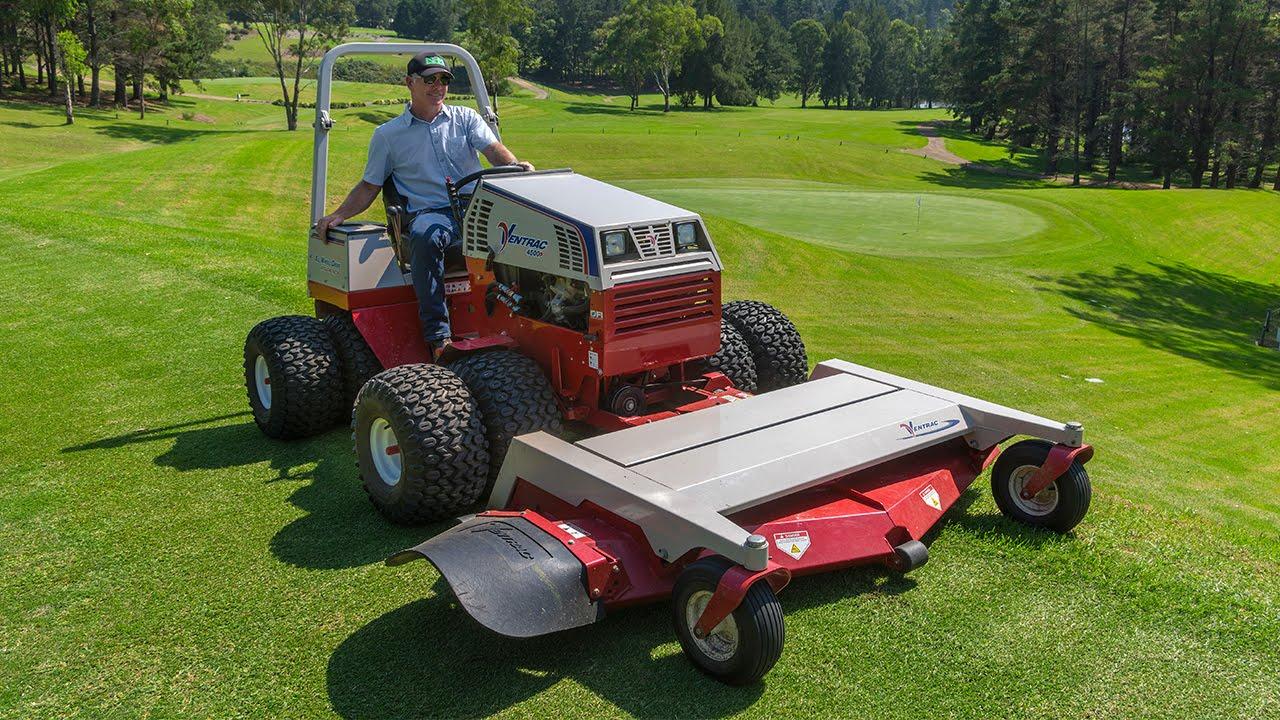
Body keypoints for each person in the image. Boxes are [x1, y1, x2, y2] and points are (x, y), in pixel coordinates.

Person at [316, 52, 534, 360]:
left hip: (475, 207)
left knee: (529, 233)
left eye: (443, 79)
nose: (438, 86)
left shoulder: (466, 118)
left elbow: (494, 151)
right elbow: (369, 185)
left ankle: (528, 323)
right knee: (426, 235)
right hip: (430, 213)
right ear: (409, 83)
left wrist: (514, 166)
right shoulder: (388, 136)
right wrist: (338, 214)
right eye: (429, 79)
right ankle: (439, 339)